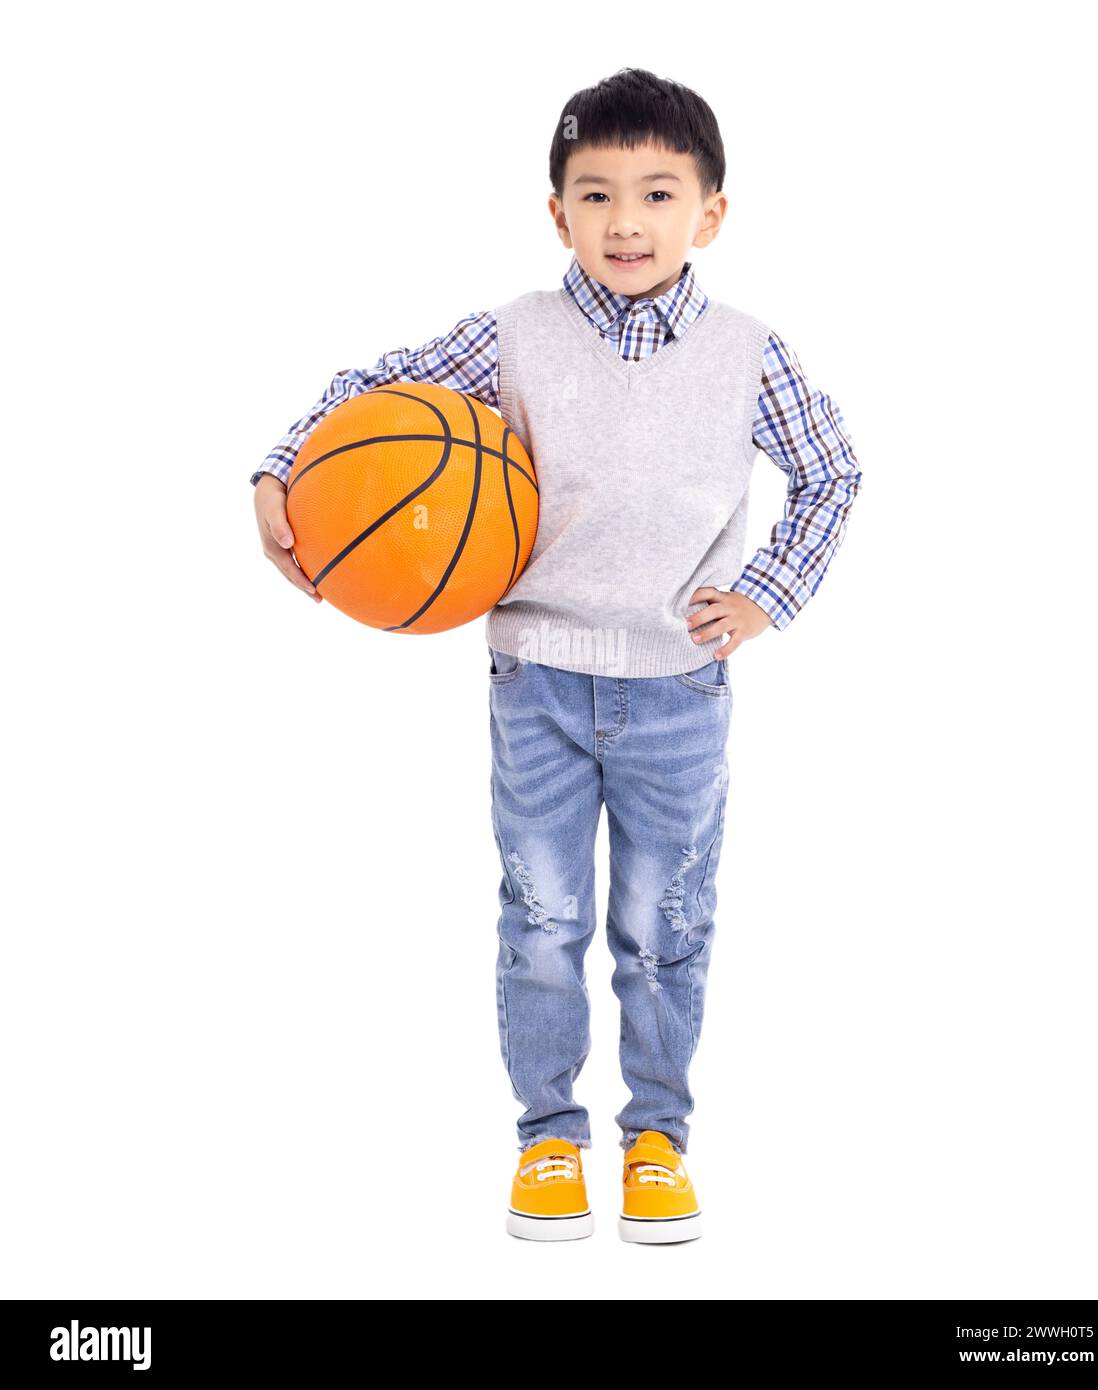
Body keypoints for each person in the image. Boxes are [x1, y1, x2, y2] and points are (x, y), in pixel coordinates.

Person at [250, 66, 863, 1245]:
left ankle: (656, 1138)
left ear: (710, 213)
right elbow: (373, 386)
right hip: (534, 679)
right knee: (541, 920)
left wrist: (767, 592)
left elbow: (833, 470)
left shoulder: (747, 351)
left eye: (656, 193)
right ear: (556, 213)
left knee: (664, 922)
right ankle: (546, 1138)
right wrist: (282, 467)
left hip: (681, 685)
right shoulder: (516, 335)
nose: (624, 222)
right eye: (594, 195)